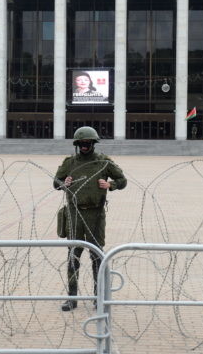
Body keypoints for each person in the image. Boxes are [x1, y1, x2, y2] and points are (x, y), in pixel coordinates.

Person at [54, 126, 127, 312]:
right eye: (81, 143)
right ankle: (72, 298)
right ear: (77, 145)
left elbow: (123, 180)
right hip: (75, 214)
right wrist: (64, 184)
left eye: (88, 143)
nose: (85, 146)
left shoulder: (103, 162)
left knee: (97, 256)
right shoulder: (70, 163)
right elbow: (56, 181)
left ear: (93, 144)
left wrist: (110, 184)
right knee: (73, 256)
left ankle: (98, 296)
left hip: (95, 214)